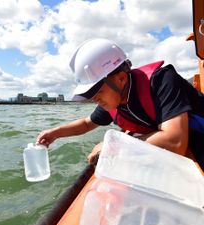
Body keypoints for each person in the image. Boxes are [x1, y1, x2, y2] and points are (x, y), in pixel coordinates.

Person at [36, 38, 204, 171]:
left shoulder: (161, 81)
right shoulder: (113, 99)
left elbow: (175, 142)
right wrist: (55, 133)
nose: (94, 98)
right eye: (90, 94)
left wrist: (114, 146)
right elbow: (87, 124)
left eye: (97, 91)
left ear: (121, 78)